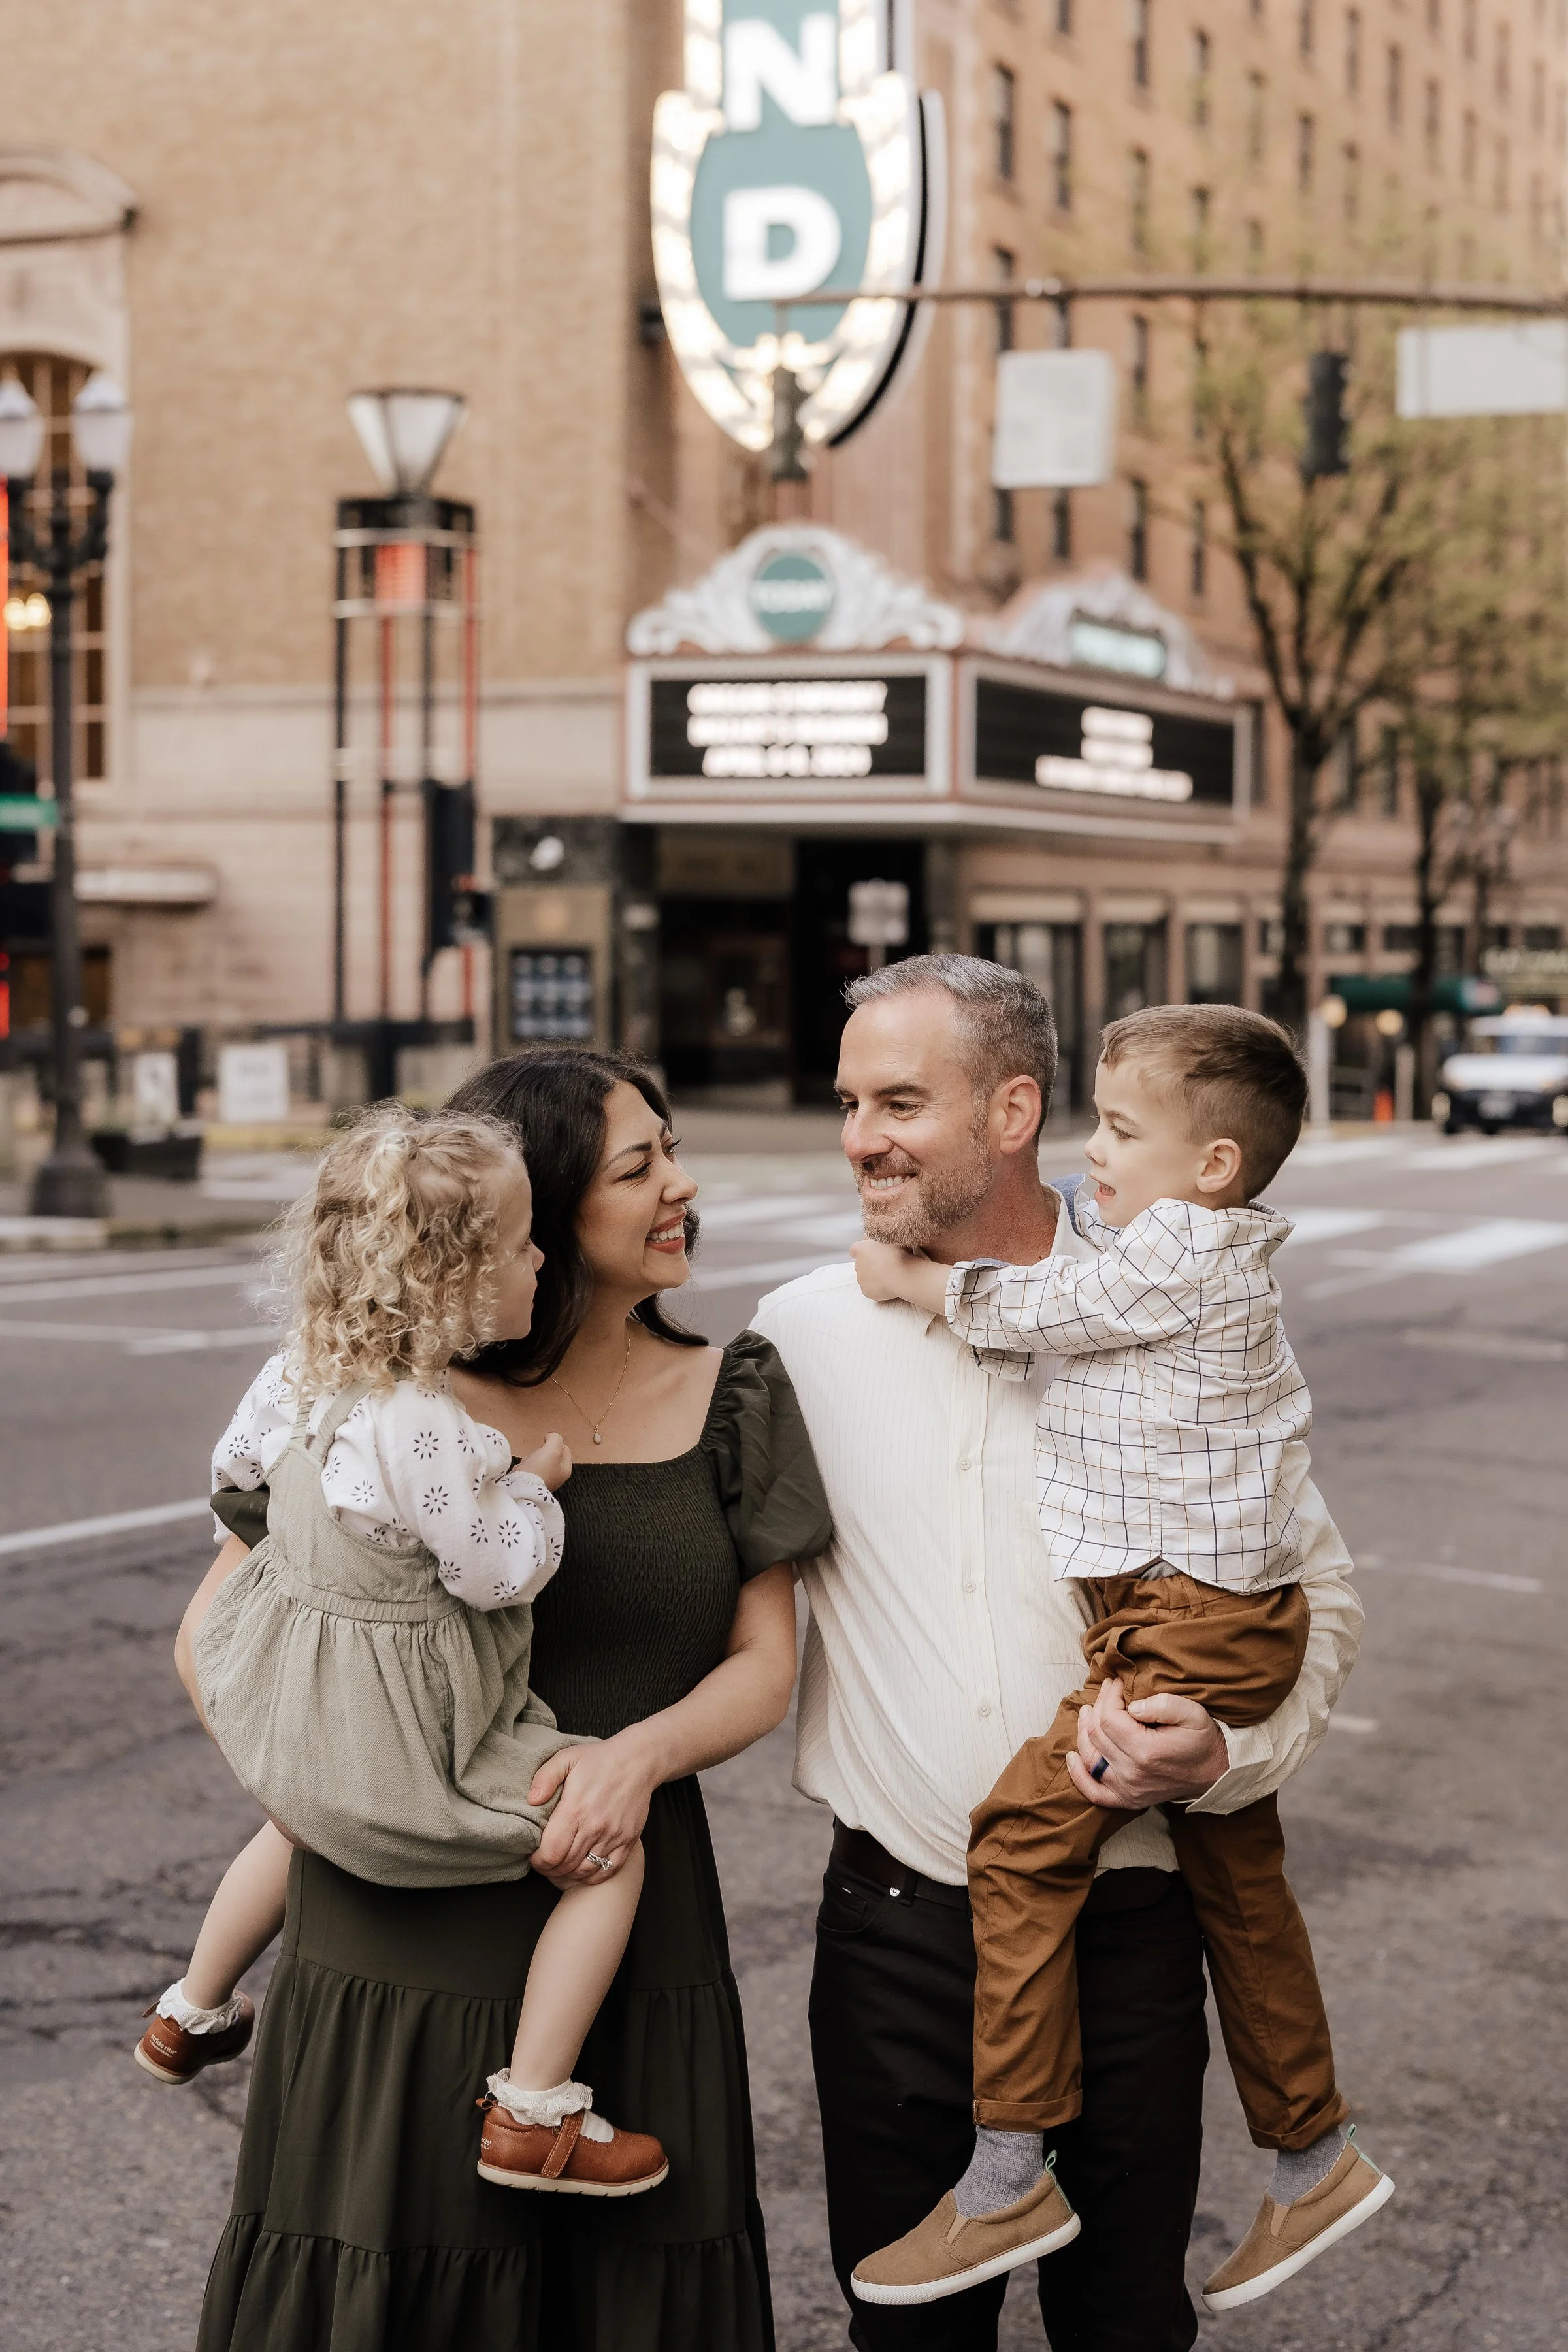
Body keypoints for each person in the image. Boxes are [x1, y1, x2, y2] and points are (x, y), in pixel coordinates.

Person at [750, 955, 1364, 2352]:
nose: (862, 1137)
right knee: (905, 2335)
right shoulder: (801, 1332)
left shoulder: (1177, 1312)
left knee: (1127, 2326)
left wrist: (1230, 1750)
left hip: (1127, 1933)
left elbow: (1310, 1600)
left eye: (901, 1099)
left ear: (1015, 1108)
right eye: (851, 1102)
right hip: (892, 1934)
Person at [181, 1050, 831, 2352]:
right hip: (388, 1935)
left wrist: (635, 1759)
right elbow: (214, 1634)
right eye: (640, 1166)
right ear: (528, 1209)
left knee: (631, 2300)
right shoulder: (387, 1399)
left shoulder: (734, 1394)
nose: (682, 1186)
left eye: (672, 1150)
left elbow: (769, 1665)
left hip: (623, 1908)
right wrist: (347, 1785)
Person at [142, 1104, 666, 2195]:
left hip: (302, 1711)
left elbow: (235, 1475)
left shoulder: (300, 1371)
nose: (540, 1259)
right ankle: (533, 2111)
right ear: (459, 1281)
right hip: (403, 1733)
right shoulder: (420, 1419)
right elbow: (491, 1572)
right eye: (524, 1243)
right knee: (614, 1856)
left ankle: (190, 2008)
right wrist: (532, 1491)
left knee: (297, 1821)